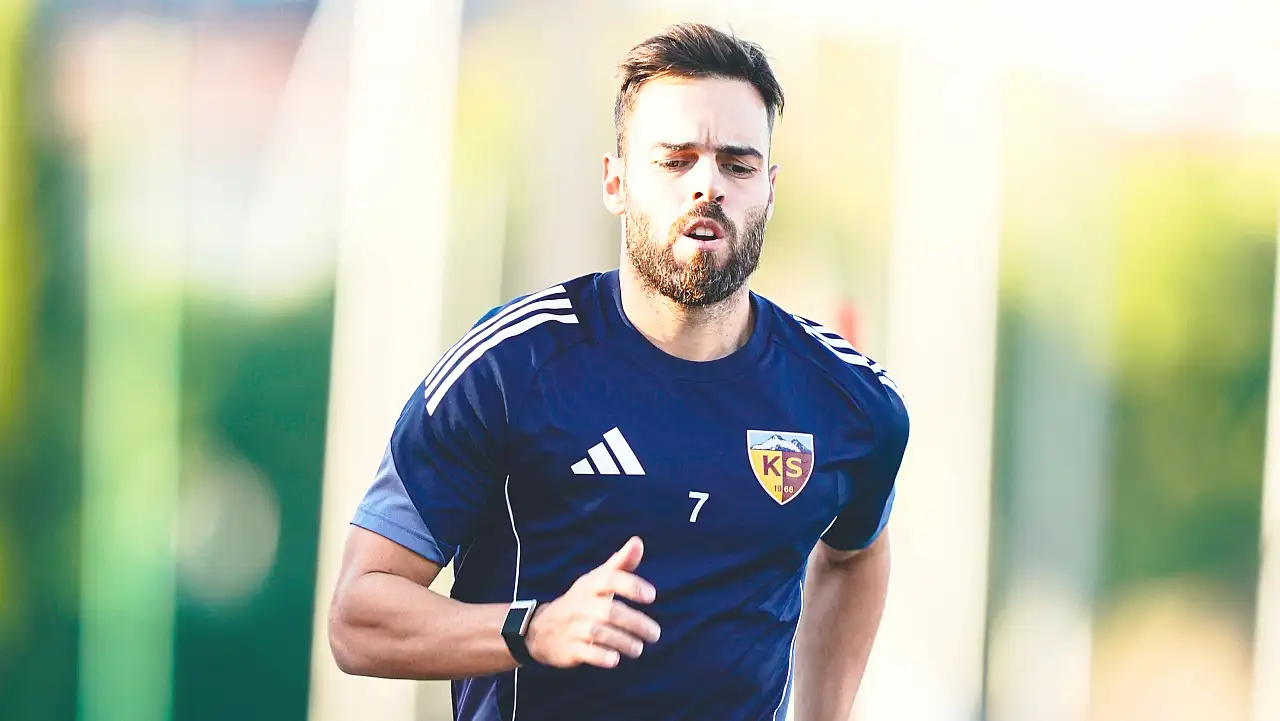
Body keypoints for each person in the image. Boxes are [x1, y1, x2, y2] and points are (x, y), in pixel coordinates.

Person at [328, 21, 909, 721]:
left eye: (737, 164)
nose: (707, 186)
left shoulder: (848, 399)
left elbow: (855, 554)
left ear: (770, 189)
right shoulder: (512, 366)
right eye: (676, 160)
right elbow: (358, 617)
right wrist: (534, 628)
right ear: (616, 180)